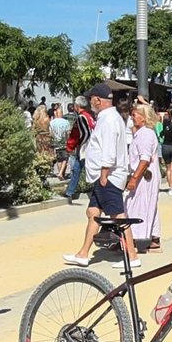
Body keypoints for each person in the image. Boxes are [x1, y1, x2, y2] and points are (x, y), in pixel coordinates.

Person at [64, 84, 137, 271]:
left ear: (97, 99)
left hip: (108, 176)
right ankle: (83, 253)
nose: (90, 103)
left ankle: (132, 256)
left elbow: (109, 150)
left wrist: (104, 173)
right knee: (93, 213)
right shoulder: (110, 118)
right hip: (104, 176)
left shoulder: (108, 120)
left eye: (91, 99)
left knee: (118, 216)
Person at [125, 102, 162, 252]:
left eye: (134, 115)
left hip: (143, 177)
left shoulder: (145, 134)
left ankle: (135, 239)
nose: (132, 118)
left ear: (144, 117)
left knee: (137, 206)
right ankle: (152, 237)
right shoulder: (143, 133)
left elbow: (144, 158)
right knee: (147, 205)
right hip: (145, 176)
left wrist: (134, 178)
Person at [63, 96, 94, 203]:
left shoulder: (82, 117)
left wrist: (78, 144)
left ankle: (99, 192)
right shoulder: (88, 116)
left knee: (83, 169)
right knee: (77, 169)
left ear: (77, 106)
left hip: (85, 149)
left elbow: (85, 133)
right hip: (86, 148)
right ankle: (69, 191)